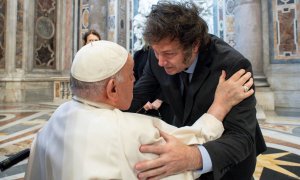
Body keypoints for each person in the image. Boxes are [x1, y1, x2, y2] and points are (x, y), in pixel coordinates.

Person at [25, 41, 253, 180]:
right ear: (112, 88)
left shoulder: (54, 121)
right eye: (133, 74)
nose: (137, 80)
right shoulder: (138, 133)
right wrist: (220, 105)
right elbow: (191, 143)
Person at [128, 2, 267, 180]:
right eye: (156, 52)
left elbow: (241, 138)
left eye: (169, 54)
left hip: (225, 164)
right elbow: (137, 97)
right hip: (184, 152)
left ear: (194, 46)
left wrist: (192, 157)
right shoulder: (157, 57)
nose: (161, 62)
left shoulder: (232, 66)